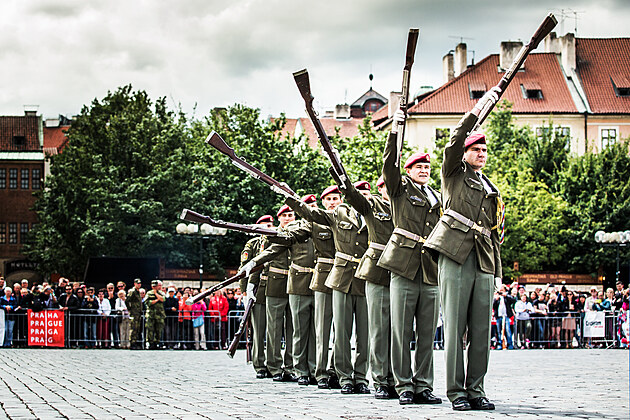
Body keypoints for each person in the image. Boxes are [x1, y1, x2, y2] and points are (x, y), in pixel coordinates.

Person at [424, 86, 504, 411]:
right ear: (466, 153)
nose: (481, 153)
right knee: (455, 325)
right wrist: (477, 111)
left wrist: (498, 271)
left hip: (483, 257)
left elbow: (494, 231)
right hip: (455, 253)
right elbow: (454, 142)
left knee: (482, 329)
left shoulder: (490, 186)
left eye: (484, 150)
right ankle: (456, 392)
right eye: (476, 149)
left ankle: (476, 390)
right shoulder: (454, 174)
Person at [380, 115, 444, 405]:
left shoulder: (436, 196)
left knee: (427, 333)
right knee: (401, 331)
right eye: (418, 166)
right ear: (408, 170)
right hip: (404, 266)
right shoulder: (400, 189)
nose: (424, 170)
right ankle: (403, 384)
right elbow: (388, 166)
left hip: (429, 270)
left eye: (427, 167)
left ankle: (423, 385)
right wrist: (395, 132)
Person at [283, 190, 369, 395]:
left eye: (335, 199)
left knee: (347, 331)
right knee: (322, 330)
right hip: (324, 278)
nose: (332, 202)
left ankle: (337, 371)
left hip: (351, 277)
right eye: (328, 199)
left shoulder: (351, 217)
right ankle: (320, 372)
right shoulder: (319, 220)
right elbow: (296, 234)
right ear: (323, 202)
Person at [244, 196, 319, 386]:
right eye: (284, 215)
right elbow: (260, 261)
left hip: (296, 283)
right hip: (276, 284)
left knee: (294, 329)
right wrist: (249, 288)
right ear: (279, 218)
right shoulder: (272, 235)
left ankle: (290, 366)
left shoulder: (301, 231)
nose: (288, 218)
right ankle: (274, 366)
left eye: (290, 214)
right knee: (274, 330)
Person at [341, 179, 395, 399]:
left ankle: (398, 379)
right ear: (380, 189)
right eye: (386, 187)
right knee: (379, 330)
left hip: (404, 271)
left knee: (398, 333)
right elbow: (354, 197)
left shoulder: (404, 205)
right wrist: (342, 178)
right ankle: (381, 379)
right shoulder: (372, 205)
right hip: (378, 271)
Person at [238, 215, 271, 377]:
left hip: (274, 288)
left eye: (271, 225)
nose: (268, 227)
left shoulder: (277, 240)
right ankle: (259, 364)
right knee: (258, 330)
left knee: (273, 330)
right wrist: (245, 291)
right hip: (257, 290)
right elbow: (244, 267)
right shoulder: (253, 244)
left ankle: (273, 363)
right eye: (265, 225)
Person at [145, 280, 166, 349]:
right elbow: (148, 302)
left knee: (158, 330)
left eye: (155, 286)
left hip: (159, 315)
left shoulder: (161, 293)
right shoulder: (148, 293)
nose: (154, 287)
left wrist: (156, 294)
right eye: (153, 286)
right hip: (151, 314)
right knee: (150, 329)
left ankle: (157, 343)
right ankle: (150, 343)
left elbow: (163, 299)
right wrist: (157, 300)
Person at [493, 286, 515, 350]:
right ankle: (500, 344)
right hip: (499, 316)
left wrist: (506, 296)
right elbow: (493, 306)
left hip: (506, 316)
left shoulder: (507, 297)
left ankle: (509, 344)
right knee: (499, 330)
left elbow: (513, 300)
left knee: (507, 330)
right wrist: (496, 299)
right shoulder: (497, 298)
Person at [126, 279, 144, 349]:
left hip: (138, 312)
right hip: (134, 312)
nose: (139, 284)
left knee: (137, 328)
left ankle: (135, 342)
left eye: (140, 283)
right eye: (137, 283)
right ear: (134, 284)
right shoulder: (132, 291)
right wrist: (130, 308)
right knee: (133, 328)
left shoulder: (138, 292)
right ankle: (132, 343)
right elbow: (127, 300)